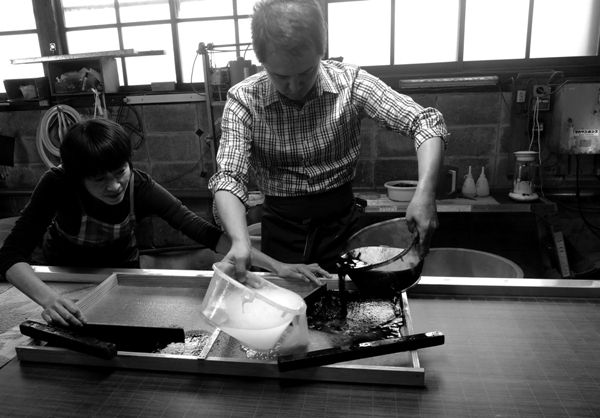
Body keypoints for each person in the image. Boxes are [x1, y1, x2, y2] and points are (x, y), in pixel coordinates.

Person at [0, 118, 329, 328]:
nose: (114, 186)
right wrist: (48, 299)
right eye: (99, 180)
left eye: (119, 172)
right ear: (77, 177)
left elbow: (206, 234)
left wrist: (278, 266)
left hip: (121, 273)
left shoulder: (140, 186)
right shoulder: (57, 184)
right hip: (64, 277)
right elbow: (11, 256)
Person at [208, 0, 449, 279]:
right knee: (287, 303)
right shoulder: (244, 98)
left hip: (342, 229)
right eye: (280, 76)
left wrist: (425, 192)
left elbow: (425, 122)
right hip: (281, 232)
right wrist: (240, 241)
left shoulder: (350, 82)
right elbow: (229, 177)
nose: (294, 87)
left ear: (321, 52)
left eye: (306, 73)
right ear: (262, 63)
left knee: (351, 299)